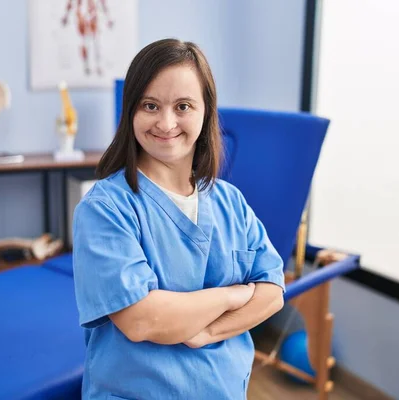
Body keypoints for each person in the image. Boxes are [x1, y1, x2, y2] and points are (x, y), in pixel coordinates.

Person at [72, 38, 285, 400]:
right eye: (150, 105)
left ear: (206, 112)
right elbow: (142, 320)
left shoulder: (230, 202)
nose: (166, 122)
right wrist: (234, 295)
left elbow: (273, 294)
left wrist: (206, 332)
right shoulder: (106, 208)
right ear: (131, 112)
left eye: (183, 106)